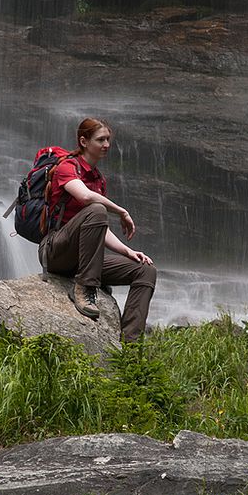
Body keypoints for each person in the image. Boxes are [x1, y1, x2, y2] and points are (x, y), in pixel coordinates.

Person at [39, 118, 157, 342]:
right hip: (55, 251)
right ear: (83, 141)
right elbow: (85, 198)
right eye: (101, 139)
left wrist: (128, 252)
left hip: (85, 258)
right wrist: (121, 211)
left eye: (108, 140)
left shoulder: (98, 180)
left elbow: (99, 228)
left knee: (145, 270)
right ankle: (84, 289)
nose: (107, 145)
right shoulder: (67, 167)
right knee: (97, 208)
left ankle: (130, 345)